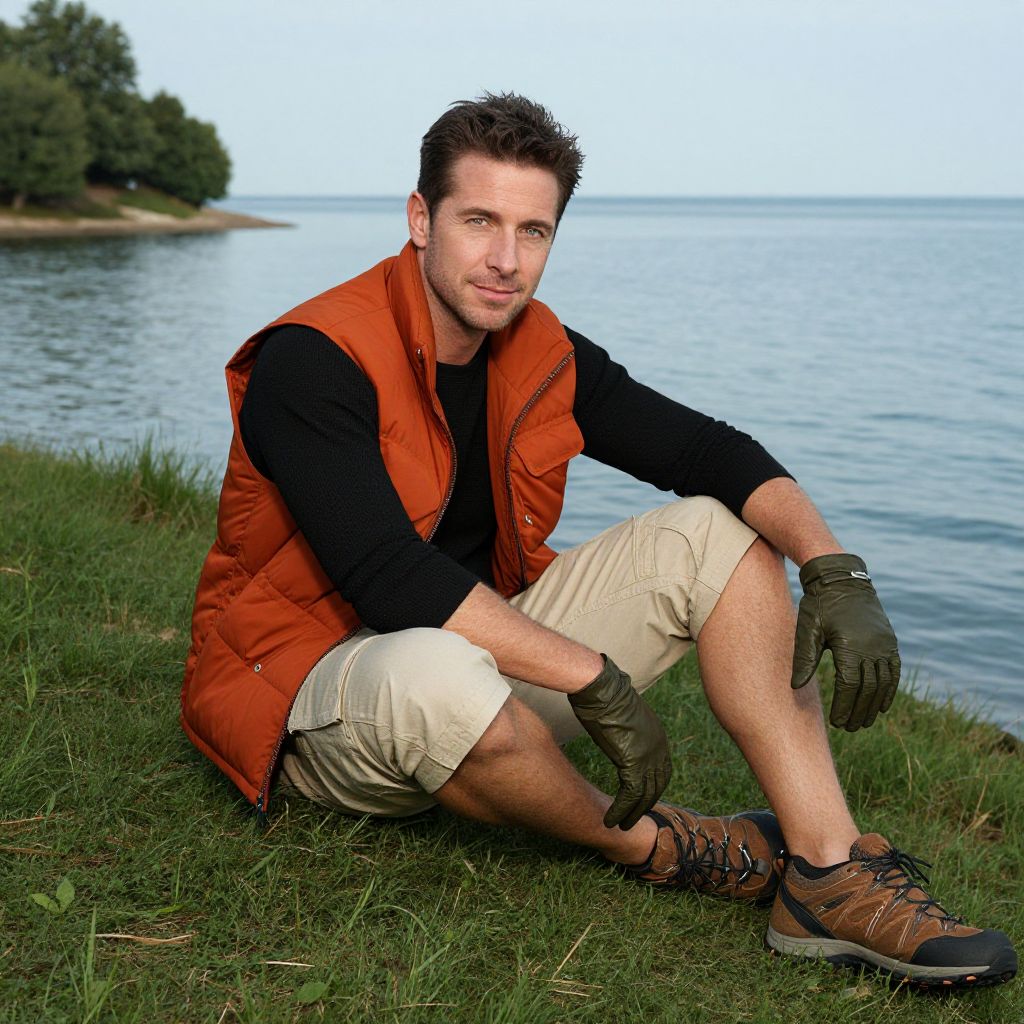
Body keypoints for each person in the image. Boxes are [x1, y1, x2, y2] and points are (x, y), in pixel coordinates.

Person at [181, 92, 1016, 989]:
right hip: (310, 693)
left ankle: (827, 870)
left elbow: (708, 451)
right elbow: (385, 574)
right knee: (435, 671)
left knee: (717, 528)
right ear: (421, 219)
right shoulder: (315, 356)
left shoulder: (538, 351)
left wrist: (835, 569)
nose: (506, 261)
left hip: (465, 659)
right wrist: (587, 674)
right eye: (479, 221)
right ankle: (661, 844)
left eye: (533, 231)